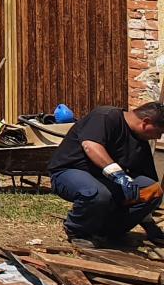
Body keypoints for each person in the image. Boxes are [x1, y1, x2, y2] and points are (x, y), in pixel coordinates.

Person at [49, 102, 164, 247]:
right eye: (159, 131)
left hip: (106, 181)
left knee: (152, 189)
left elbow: (146, 193)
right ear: (146, 123)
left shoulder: (140, 142)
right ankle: (77, 230)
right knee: (98, 193)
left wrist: (149, 225)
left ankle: (105, 231)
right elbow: (91, 146)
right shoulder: (105, 116)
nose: (159, 136)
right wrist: (120, 176)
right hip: (69, 173)